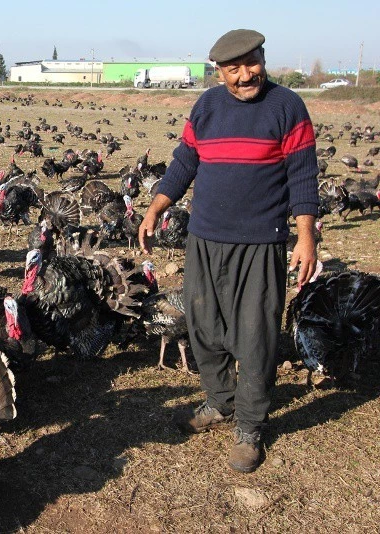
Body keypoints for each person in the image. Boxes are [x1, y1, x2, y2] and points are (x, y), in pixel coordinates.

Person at [138, 29, 319, 473]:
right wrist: (156, 207)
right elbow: (184, 162)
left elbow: (302, 175)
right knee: (203, 326)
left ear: (262, 57)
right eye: (233, 68)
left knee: (255, 334)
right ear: (219, 72)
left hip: (261, 241)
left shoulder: (287, 107)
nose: (244, 75)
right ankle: (220, 402)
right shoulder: (207, 107)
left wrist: (306, 235)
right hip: (204, 238)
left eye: (251, 63)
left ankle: (250, 425)